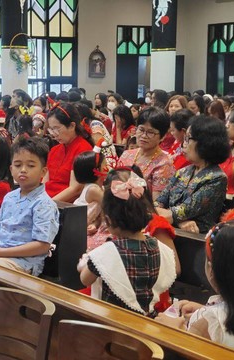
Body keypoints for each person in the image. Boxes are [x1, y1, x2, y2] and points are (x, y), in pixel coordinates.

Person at [156, 220, 234, 354]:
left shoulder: (206, 325)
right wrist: (203, 310)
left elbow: (187, 354)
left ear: (212, 269)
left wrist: (172, 329)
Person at [77, 169, 176, 316]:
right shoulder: (158, 247)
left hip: (110, 320)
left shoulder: (107, 252)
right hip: (146, 319)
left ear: (108, 220)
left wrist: (84, 264)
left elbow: (85, 279)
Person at [0, 137, 59, 276]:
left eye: (31, 165)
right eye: (18, 165)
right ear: (11, 169)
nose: (23, 170)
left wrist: (1, 253)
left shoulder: (44, 204)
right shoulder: (9, 197)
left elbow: (42, 246)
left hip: (22, 263)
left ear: (43, 171)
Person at [156, 116, 230, 233]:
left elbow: (180, 212)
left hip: (195, 240)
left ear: (205, 143)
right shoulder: (183, 172)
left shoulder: (217, 178)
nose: (183, 144)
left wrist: (174, 218)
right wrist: (180, 222)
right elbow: (158, 204)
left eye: (187, 139)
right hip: (171, 231)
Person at [117, 107, 174, 200]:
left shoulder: (164, 164)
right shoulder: (127, 154)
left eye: (151, 132)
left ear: (163, 137)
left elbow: (156, 203)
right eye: (141, 130)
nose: (143, 136)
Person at [44, 101, 93, 202]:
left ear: (72, 126)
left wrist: (48, 205)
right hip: (47, 200)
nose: (53, 134)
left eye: (57, 129)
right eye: (51, 129)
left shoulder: (83, 149)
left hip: (64, 206)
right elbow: (45, 182)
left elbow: (75, 189)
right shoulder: (54, 150)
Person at [73, 149, 106, 238]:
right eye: (105, 164)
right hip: (76, 228)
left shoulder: (100, 188)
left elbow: (99, 216)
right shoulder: (93, 189)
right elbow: (111, 206)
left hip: (85, 227)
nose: (108, 167)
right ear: (97, 170)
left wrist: (95, 224)